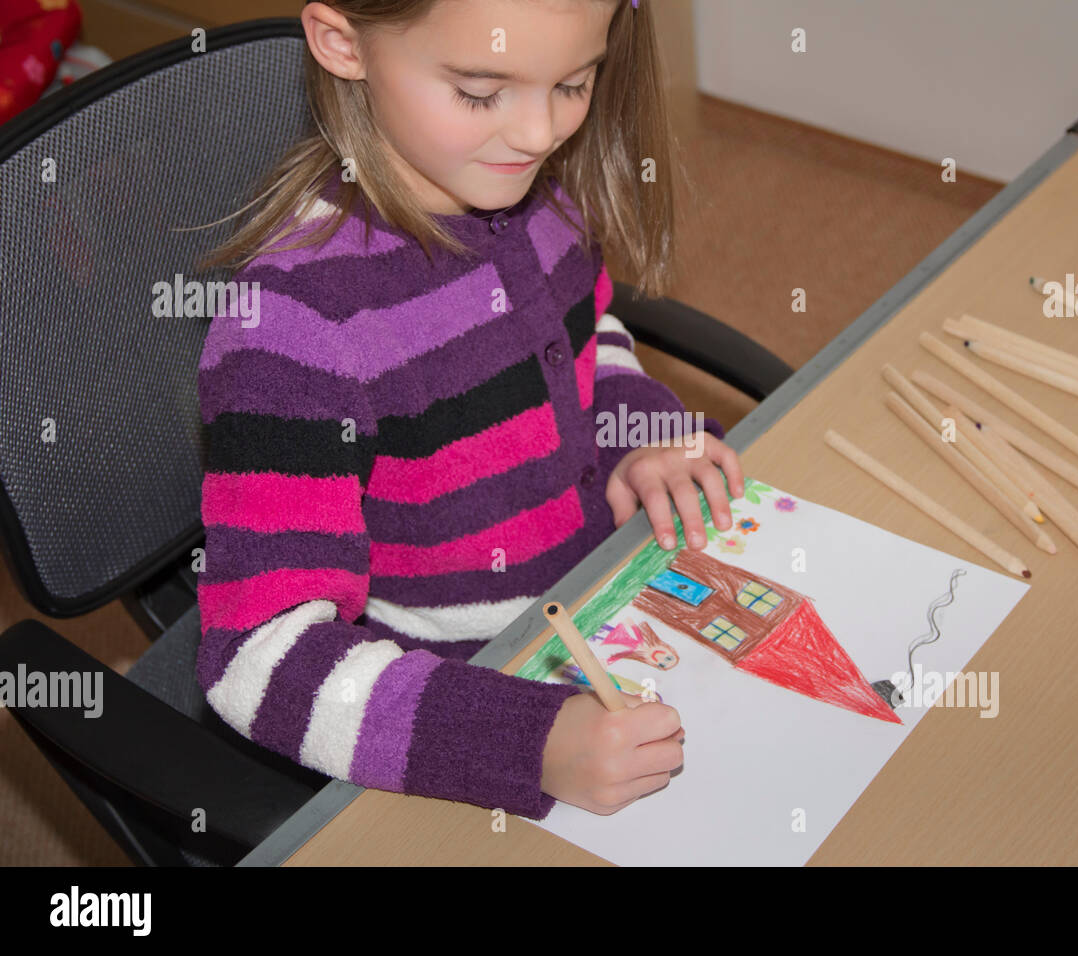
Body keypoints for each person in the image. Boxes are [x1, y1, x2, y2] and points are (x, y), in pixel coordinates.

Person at [194, 0, 744, 820]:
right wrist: (527, 744)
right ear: (342, 45)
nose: (537, 132)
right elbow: (254, 657)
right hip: (460, 707)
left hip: (605, 610)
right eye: (483, 93)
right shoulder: (291, 328)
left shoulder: (534, 196)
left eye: (572, 82)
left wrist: (642, 433)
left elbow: (589, 338)